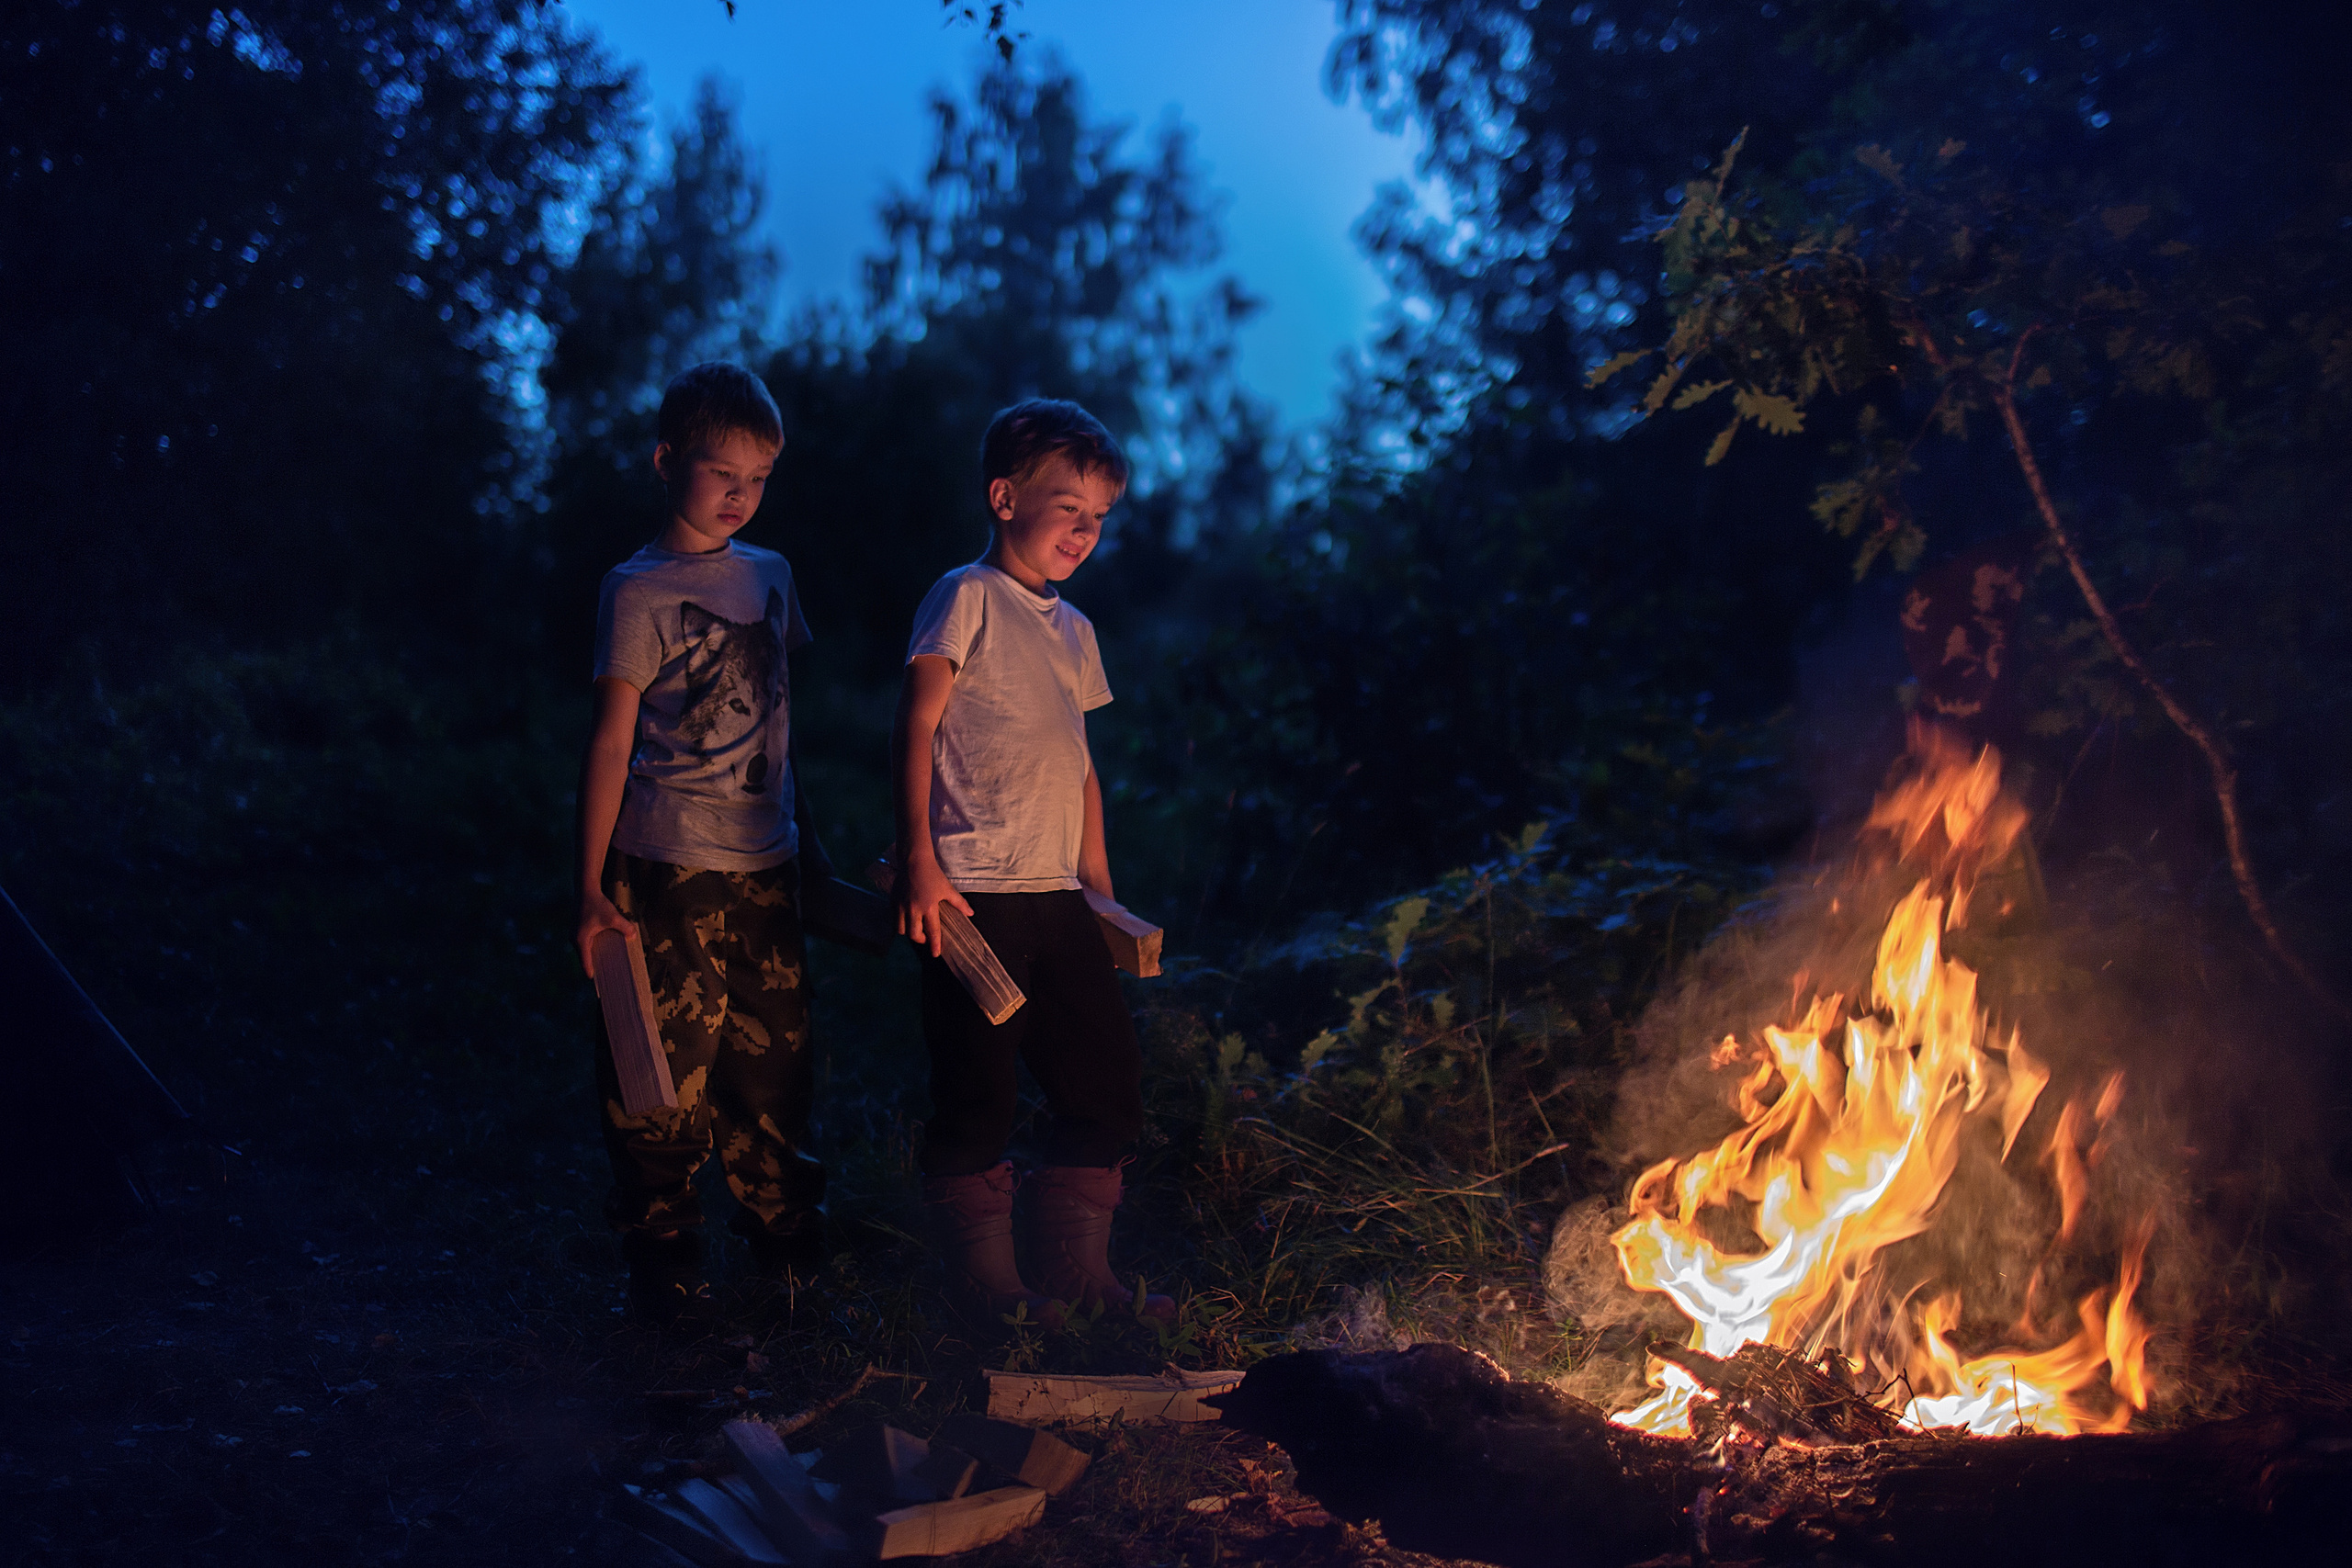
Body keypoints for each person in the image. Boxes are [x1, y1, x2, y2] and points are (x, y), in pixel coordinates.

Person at [890, 398, 1172, 1323]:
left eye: (1099, 518)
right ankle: (985, 1287)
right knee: (978, 1083)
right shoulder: (963, 597)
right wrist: (921, 862)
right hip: (973, 893)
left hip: (1056, 894)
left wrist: (1097, 885)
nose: (1085, 533)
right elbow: (918, 724)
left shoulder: (1074, 632)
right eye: (1068, 510)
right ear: (1005, 498)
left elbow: (1081, 766)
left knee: (1103, 1075)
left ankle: (1076, 1273)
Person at [573, 362, 831, 1325]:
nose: (741, 495)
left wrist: (817, 852)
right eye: (721, 472)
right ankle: (665, 1257)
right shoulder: (637, 591)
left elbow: (778, 719)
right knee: (659, 1071)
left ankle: (787, 1252)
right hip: (668, 861)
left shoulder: (770, 576)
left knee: (773, 1064)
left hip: (767, 863)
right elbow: (609, 739)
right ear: (665, 460)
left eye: (759, 477)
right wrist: (592, 887)